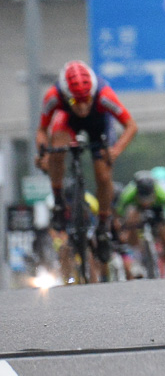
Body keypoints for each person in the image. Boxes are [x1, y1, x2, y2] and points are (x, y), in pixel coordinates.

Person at [36, 60, 139, 264]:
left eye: (86, 100)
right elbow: (42, 131)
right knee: (56, 147)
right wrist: (42, 153)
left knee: (103, 175)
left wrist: (115, 150)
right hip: (68, 122)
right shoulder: (53, 97)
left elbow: (131, 126)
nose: (82, 107)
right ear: (66, 97)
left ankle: (102, 225)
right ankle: (58, 200)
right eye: (76, 102)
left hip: (99, 125)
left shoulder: (104, 95)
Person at [116, 169, 165, 278]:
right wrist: (124, 229)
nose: (146, 202)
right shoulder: (128, 194)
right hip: (137, 209)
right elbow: (119, 215)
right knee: (131, 219)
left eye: (148, 199)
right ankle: (136, 255)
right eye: (143, 198)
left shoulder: (160, 193)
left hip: (157, 210)